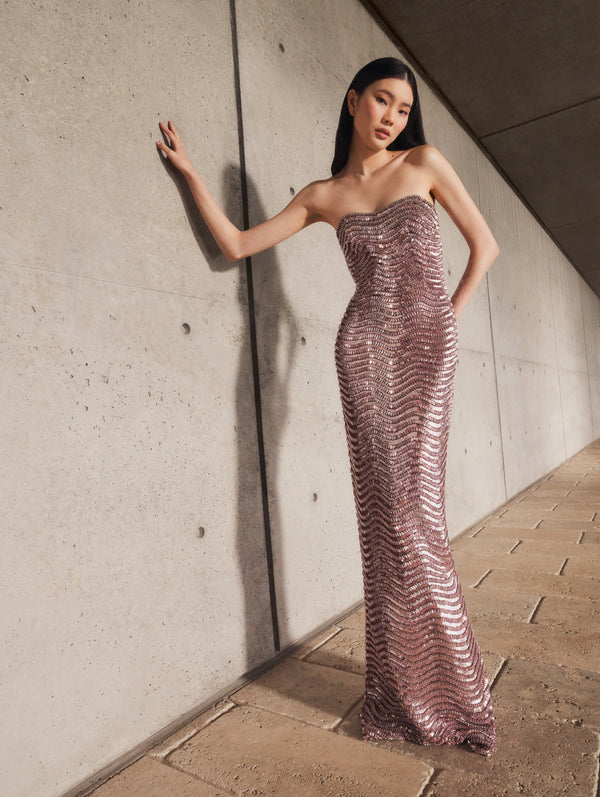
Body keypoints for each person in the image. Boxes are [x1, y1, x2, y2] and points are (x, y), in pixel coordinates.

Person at [156, 56, 499, 757]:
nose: (391, 117)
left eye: (402, 109)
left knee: (418, 516)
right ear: (352, 100)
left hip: (427, 351)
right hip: (363, 354)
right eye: (381, 101)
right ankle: (401, 693)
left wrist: (447, 321)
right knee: (383, 524)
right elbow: (238, 244)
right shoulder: (323, 194)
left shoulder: (425, 161)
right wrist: (191, 173)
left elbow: (485, 246)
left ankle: (460, 694)